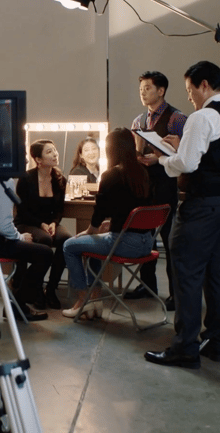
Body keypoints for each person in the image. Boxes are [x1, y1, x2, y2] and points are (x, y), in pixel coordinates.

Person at [145, 61, 220, 369]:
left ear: (204, 85)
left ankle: (185, 348)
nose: (189, 96)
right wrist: (184, 147)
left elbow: (188, 164)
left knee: (187, 273)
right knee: (217, 273)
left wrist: (163, 159)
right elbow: (215, 155)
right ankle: (214, 342)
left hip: (202, 206)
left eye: (190, 89)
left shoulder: (202, 116)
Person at [62, 128, 153, 319]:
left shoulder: (111, 175)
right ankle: (95, 299)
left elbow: (99, 213)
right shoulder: (142, 172)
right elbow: (132, 211)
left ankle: (83, 300)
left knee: (69, 246)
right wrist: (110, 226)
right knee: (93, 244)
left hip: (123, 243)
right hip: (146, 244)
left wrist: (90, 230)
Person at [127, 71, 187, 310]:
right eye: (141, 89)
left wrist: (160, 158)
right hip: (144, 187)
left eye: (148, 88)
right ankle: (147, 285)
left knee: (171, 241)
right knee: (145, 237)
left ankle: (176, 294)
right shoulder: (138, 121)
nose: (143, 93)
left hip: (166, 184)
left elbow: (187, 154)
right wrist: (137, 155)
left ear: (161, 91)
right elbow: (133, 153)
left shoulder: (177, 119)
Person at [0, 181, 54, 320]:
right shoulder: (4, 181)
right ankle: (18, 305)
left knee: (24, 249)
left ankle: (18, 294)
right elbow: (2, 225)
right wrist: (20, 237)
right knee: (45, 254)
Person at [14, 139, 71, 309]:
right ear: (38, 159)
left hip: (49, 223)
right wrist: (41, 224)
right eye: (49, 152)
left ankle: (51, 288)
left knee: (66, 240)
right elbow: (22, 210)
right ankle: (36, 288)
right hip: (27, 222)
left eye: (55, 150)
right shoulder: (26, 179)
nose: (55, 154)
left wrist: (54, 223)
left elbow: (59, 209)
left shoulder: (60, 179)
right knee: (45, 240)